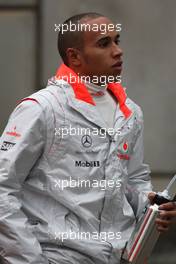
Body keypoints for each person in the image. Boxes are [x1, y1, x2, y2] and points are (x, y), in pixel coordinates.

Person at [0, 12, 175, 264]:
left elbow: (134, 179)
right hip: (58, 255)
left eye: (117, 40)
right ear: (74, 57)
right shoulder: (42, 108)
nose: (118, 51)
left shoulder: (131, 112)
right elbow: (4, 187)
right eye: (104, 43)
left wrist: (152, 209)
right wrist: (27, 259)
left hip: (119, 256)